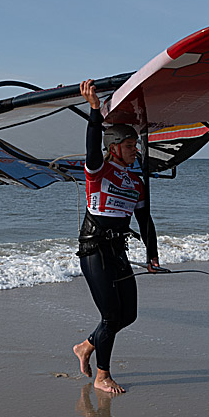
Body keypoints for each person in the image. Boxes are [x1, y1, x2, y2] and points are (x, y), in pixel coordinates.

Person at [72, 78, 161, 394]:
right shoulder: (98, 171)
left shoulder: (136, 183)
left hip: (118, 252)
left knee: (129, 315)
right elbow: (91, 146)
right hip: (94, 251)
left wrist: (152, 254)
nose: (135, 150)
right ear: (113, 148)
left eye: (136, 145)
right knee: (111, 316)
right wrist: (94, 110)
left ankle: (86, 346)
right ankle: (102, 376)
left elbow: (145, 221)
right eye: (129, 145)